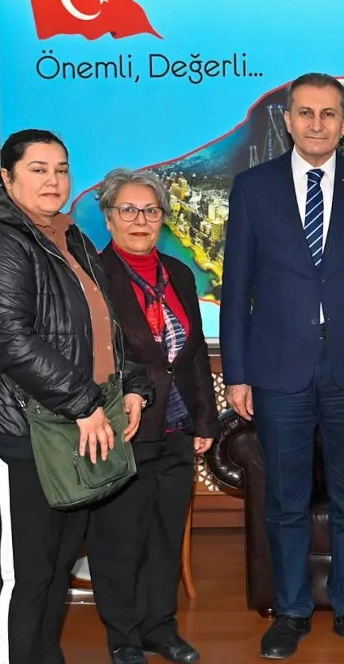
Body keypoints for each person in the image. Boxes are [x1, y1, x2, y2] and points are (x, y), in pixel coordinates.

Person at [220, 72, 344, 659]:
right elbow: (237, 286)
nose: (317, 123)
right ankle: (292, 610)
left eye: (328, 114)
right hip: (279, 369)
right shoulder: (253, 188)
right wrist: (238, 372)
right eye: (306, 113)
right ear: (288, 120)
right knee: (285, 500)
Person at [0, 129, 152, 664]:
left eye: (61, 169)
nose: (53, 180)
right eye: (38, 169)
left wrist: (132, 385)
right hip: (28, 432)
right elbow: (11, 338)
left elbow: (106, 326)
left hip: (77, 425)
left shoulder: (71, 236)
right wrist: (84, 403)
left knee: (58, 564)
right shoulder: (8, 239)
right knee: (29, 574)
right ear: (6, 177)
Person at [86, 168, 219, 664]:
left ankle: (160, 627)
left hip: (178, 427)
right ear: (108, 217)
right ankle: (123, 635)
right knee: (120, 537)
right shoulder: (93, 277)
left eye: (151, 210)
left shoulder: (179, 273)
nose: (140, 219)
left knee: (166, 532)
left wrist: (205, 420)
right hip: (124, 427)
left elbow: (194, 353)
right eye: (128, 209)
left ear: (163, 218)